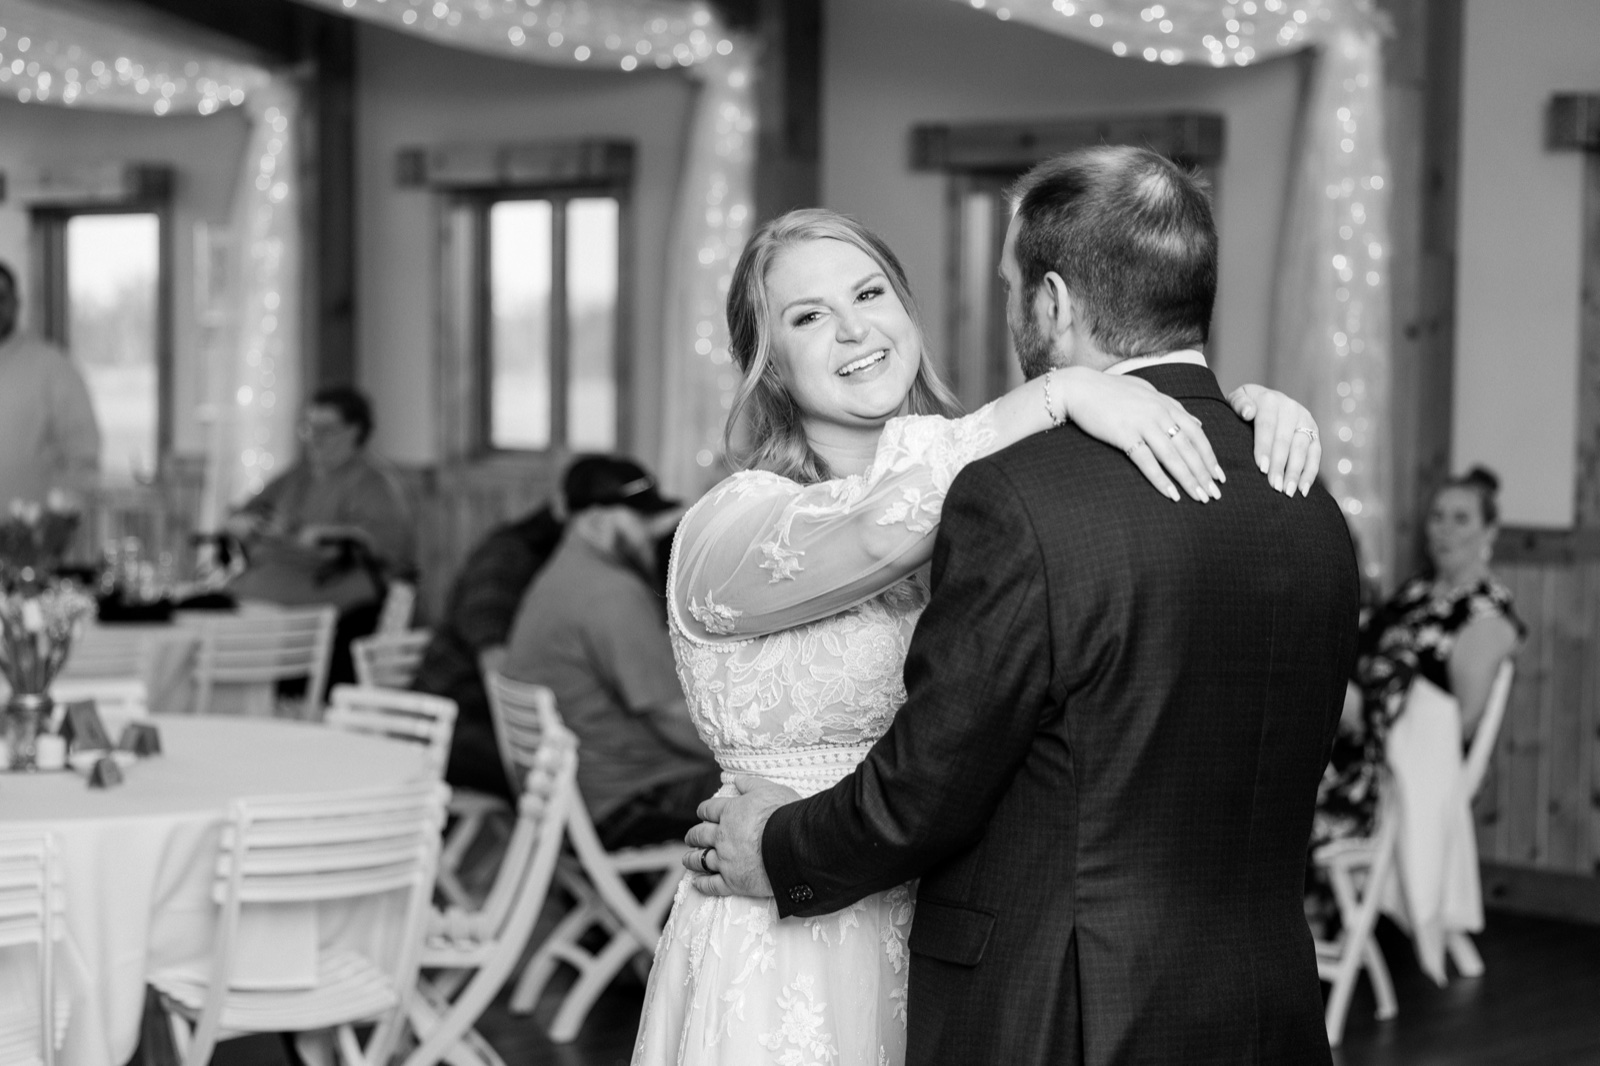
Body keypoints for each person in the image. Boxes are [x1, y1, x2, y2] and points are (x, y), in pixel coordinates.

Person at [637, 155, 1348, 1066]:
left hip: (943, 938)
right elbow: (866, 534)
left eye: (871, 294)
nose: (855, 329)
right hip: (792, 945)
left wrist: (1237, 410)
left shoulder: (1008, 488)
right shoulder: (730, 527)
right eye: (808, 317)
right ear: (764, 361)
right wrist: (1060, 394)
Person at [501, 456, 721, 849]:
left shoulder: (559, 575)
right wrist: (743, 756)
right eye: (638, 520)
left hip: (566, 802)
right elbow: (669, 716)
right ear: (597, 520)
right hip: (623, 802)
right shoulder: (610, 593)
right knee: (783, 787)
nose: (651, 532)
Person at [1313, 466, 1522, 854]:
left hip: (1394, 769)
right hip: (1345, 735)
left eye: (1461, 519)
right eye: (1437, 516)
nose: (1444, 529)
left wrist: (1363, 711)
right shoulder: (1417, 590)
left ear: (1489, 531)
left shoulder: (1485, 616)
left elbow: (1454, 730)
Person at [224, 385, 415, 686]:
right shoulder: (295, 476)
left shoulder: (373, 484)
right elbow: (243, 515)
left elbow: (384, 547)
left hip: (329, 597)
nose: (314, 438)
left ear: (356, 431)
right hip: (263, 586)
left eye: (326, 429)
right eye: (308, 428)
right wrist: (248, 524)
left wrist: (312, 534)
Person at [411, 497, 565, 800]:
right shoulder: (506, 557)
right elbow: (494, 663)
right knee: (562, 768)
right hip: (450, 721)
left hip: (475, 711)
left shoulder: (551, 558)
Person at [0, 261, 101, 508]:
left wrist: (53, 526)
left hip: (27, 540)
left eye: (0, 296)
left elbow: (84, 455)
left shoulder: (52, 367)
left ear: (16, 303)